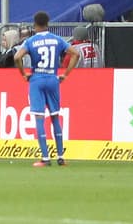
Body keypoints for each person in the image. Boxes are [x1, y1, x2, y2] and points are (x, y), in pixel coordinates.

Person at [15, 11, 80, 167]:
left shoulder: (31, 41)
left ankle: (45, 158)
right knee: (55, 117)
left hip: (37, 79)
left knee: (39, 117)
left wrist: (23, 73)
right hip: (53, 78)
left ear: (35, 24)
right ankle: (61, 157)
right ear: (48, 23)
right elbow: (76, 54)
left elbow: (17, 57)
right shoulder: (57, 39)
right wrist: (65, 74)